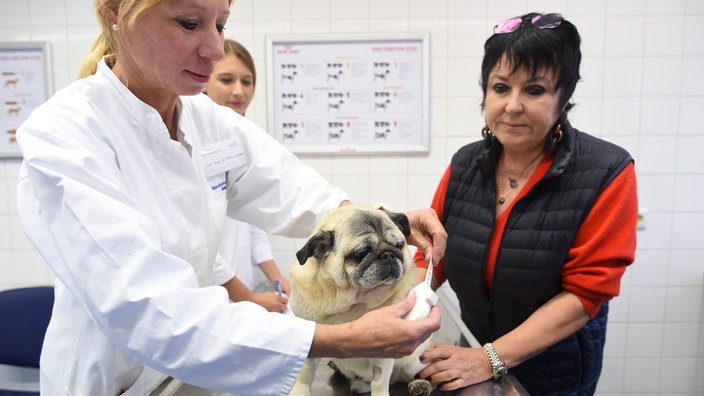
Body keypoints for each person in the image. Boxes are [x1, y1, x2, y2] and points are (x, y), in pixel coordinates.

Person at [15, 0, 446, 395]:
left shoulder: (206, 121)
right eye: (189, 23)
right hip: (110, 384)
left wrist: (393, 223)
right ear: (115, 13)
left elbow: (296, 191)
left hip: (190, 375)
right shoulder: (64, 135)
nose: (215, 49)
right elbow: (150, 308)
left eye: (220, 25)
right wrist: (340, 339)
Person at [413, 12, 637, 395]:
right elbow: (431, 259)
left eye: (534, 90)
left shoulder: (606, 171)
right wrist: (394, 317)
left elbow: (585, 293)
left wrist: (489, 359)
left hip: (553, 374)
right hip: (474, 360)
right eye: (501, 87)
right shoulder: (465, 164)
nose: (512, 105)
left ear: (563, 98)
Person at [204, 38, 289, 313]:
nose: (239, 91)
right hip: (209, 293)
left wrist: (276, 278)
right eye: (227, 80)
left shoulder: (242, 142)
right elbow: (199, 242)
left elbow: (254, 225)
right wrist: (248, 298)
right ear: (205, 81)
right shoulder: (190, 143)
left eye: (247, 81)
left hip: (242, 292)